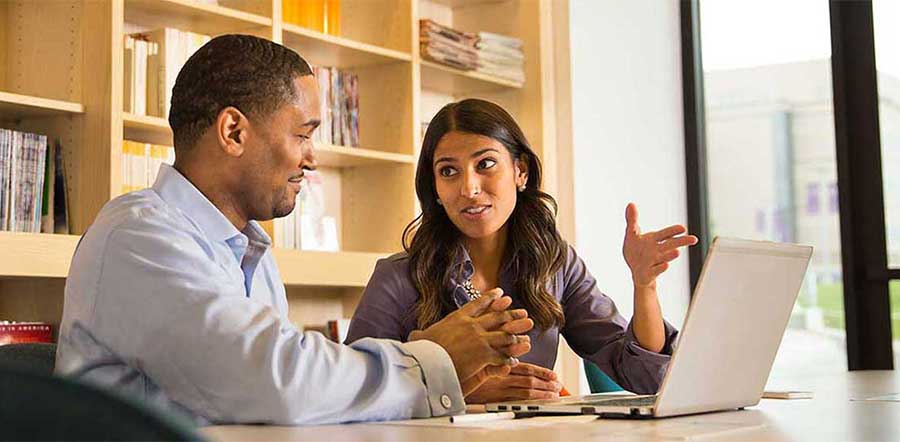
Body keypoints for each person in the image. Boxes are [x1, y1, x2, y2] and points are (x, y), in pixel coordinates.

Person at [54, 35, 534, 425]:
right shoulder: (137, 236)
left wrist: (440, 380)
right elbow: (274, 381)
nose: (311, 158)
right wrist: (430, 361)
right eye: (302, 134)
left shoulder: (248, 253)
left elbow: (291, 403)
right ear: (234, 132)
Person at [345, 98, 698, 403]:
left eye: (485, 164)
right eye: (449, 171)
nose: (469, 188)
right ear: (435, 188)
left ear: (521, 170)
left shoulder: (556, 264)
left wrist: (644, 286)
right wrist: (460, 390)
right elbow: (351, 392)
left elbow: (643, 375)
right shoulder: (396, 278)